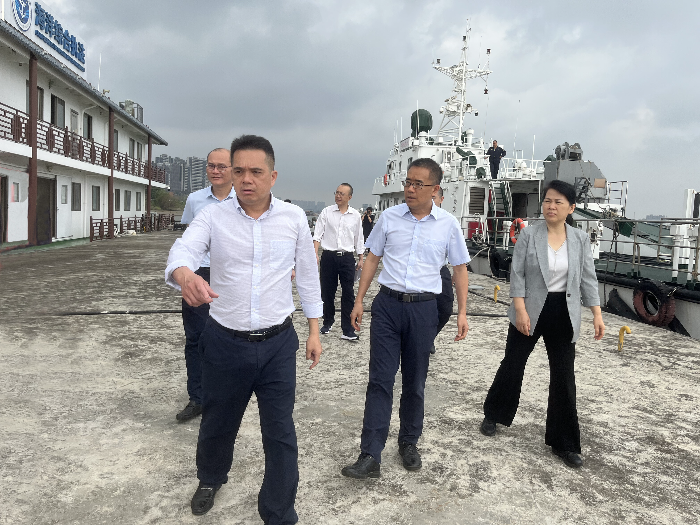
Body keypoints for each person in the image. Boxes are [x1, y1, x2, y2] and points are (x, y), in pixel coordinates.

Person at [165, 135, 323, 521]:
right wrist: (185, 274)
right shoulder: (213, 216)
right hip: (225, 341)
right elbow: (183, 250)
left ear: (273, 176)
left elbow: (307, 275)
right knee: (218, 422)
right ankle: (210, 478)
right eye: (239, 171)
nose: (246, 179)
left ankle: (279, 511)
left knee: (280, 432)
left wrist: (314, 330)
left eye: (256, 171)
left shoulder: (293, 218)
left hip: (277, 344)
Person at [341, 158, 470, 479]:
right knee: (380, 380)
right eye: (407, 182)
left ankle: (409, 442)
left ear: (434, 189)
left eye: (418, 184)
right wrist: (359, 300)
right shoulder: (389, 217)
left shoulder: (448, 224)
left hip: (424, 309)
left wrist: (462, 312)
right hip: (387, 306)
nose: (410, 189)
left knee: (415, 381)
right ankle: (370, 454)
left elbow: (459, 269)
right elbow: (373, 259)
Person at [479, 179, 605, 469]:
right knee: (513, 364)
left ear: (571, 208)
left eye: (558, 202)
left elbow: (587, 278)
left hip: (564, 312)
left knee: (564, 376)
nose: (551, 206)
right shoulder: (529, 235)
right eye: (548, 200)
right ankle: (494, 414)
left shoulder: (579, 239)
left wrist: (597, 314)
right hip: (531, 308)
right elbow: (517, 274)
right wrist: (520, 309)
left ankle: (565, 443)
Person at [175, 148, 236, 422]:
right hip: (199, 273)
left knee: (232, 334)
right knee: (196, 337)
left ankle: (229, 393)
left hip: (231, 274)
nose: (216, 171)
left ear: (233, 169)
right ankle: (197, 397)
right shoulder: (195, 199)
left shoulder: (243, 199)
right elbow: (188, 239)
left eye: (222, 166)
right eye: (211, 166)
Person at [313, 184, 365, 341]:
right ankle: (328, 321)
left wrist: (361, 258)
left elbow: (359, 238)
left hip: (347, 257)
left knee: (348, 293)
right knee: (327, 291)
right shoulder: (327, 212)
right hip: (328, 256)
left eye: (342, 193)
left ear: (350, 197)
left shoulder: (355, 215)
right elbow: (317, 234)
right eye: (337, 193)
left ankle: (347, 329)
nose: (338, 196)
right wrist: (315, 253)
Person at [430, 186, 455, 355]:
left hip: (441, 269)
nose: (430, 202)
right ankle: (422, 339)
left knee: (445, 309)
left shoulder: (448, 221)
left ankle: (429, 336)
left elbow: (457, 254)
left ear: (441, 199)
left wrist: (456, 274)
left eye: (434, 198)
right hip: (423, 270)